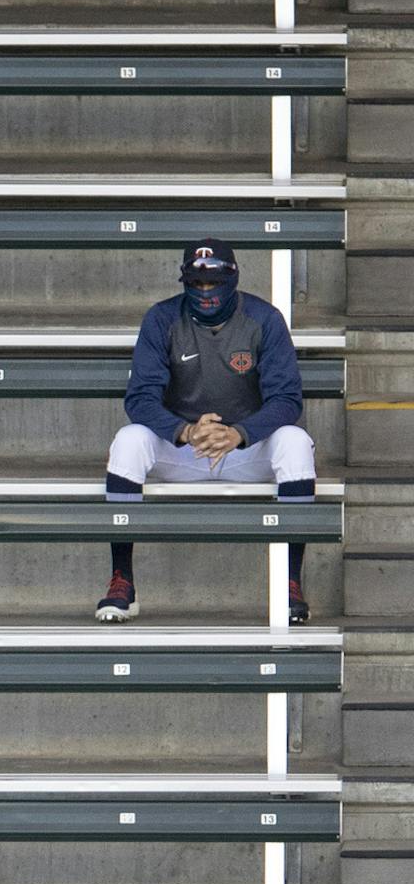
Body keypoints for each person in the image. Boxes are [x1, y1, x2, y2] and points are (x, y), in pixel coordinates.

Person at [96, 238, 315, 624]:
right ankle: (122, 582)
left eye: (214, 283)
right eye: (197, 284)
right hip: (183, 449)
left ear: (232, 279)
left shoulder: (264, 318)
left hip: (246, 450)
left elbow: (287, 399)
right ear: (185, 283)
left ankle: (290, 584)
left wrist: (239, 433)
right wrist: (184, 430)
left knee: (295, 443)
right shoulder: (162, 318)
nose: (206, 292)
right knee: (128, 440)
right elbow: (140, 398)